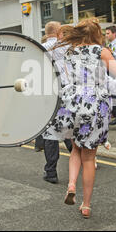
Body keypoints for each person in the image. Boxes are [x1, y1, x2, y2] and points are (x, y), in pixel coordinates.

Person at [44, 18, 116, 219]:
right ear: (96, 34)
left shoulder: (69, 51)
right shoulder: (101, 51)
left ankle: (71, 184)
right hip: (94, 104)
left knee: (75, 149)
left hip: (71, 103)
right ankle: (87, 205)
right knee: (89, 157)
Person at [40, 21, 73, 183]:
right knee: (69, 126)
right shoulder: (66, 47)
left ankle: (51, 171)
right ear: (58, 31)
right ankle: (80, 158)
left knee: (51, 133)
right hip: (67, 91)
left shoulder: (40, 49)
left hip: (50, 94)